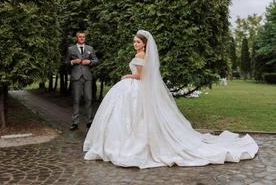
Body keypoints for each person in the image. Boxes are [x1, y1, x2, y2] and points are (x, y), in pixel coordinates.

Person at [83, 30, 258, 169]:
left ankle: (125, 144)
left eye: (138, 41)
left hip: (135, 87)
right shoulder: (144, 55)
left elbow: (139, 76)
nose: (135, 44)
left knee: (131, 116)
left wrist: (127, 75)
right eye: (134, 41)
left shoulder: (140, 56)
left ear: (144, 44)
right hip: (137, 88)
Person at [65, 31, 98, 130]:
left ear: (85, 38)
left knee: (88, 99)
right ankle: (75, 122)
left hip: (87, 77)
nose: (82, 38)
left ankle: (89, 121)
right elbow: (66, 62)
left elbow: (96, 60)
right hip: (76, 77)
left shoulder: (90, 48)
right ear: (77, 38)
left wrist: (90, 61)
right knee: (76, 99)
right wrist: (72, 61)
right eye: (80, 37)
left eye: (83, 37)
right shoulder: (71, 49)